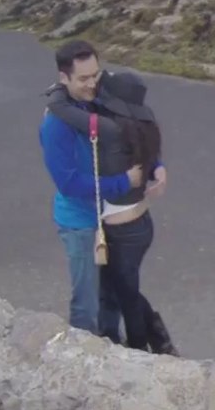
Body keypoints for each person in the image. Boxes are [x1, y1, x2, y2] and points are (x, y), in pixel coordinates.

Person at [45, 68, 178, 355]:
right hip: (139, 224)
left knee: (124, 294)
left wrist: (58, 89)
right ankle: (146, 340)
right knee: (120, 290)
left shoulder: (109, 129)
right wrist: (158, 167)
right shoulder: (141, 124)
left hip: (123, 231)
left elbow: (61, 109)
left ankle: (144, 347)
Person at [39, 40, 144, 339]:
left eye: (95, 75)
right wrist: (125, 182)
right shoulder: (55, 125)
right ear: (64, 78)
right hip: (81, 224)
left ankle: (110, 346)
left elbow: (132, 131)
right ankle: (81, 354)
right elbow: (69, 184)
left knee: (112, 294)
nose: (92, 84)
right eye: (83, 78)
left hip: (111, 215)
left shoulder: (98, 98)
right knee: (86, 302)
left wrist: (156, 165)